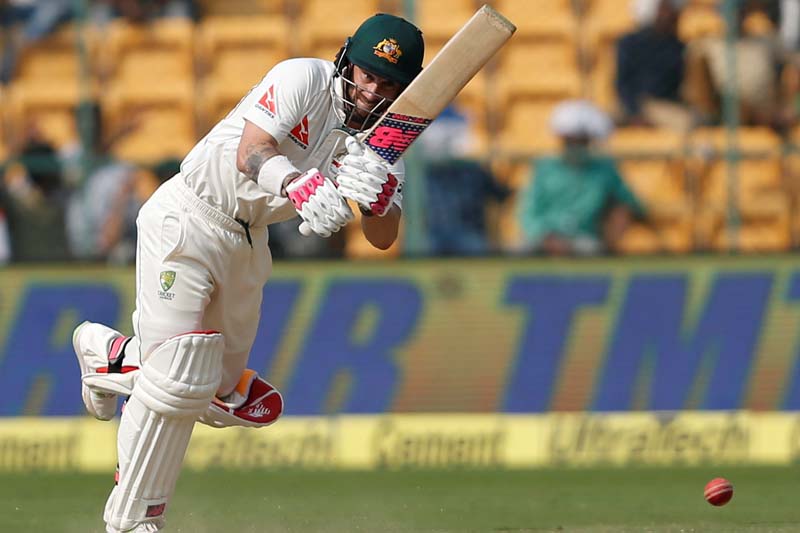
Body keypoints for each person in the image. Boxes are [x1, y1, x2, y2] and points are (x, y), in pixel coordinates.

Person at [72, 13, 423, 532]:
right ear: (347, 60)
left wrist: (383, 201)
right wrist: (297, 184)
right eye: (366, 74)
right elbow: (251, 151)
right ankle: (133, 520)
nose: (371, 90)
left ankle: (108, 354)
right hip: (190, 216)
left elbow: (383, 237)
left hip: (249, 244)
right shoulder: (303, 77)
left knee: (216, 395)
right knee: (177, 379)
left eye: (388, 83)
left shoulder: (379, 143)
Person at [517, 100, 645, 256]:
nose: (575, 146)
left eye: (581, 141)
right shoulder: (543, 168)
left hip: (583, 240)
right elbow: (529, 213)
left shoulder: (604, 169)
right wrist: (547, 238)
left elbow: (631, 202)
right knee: (519, 252)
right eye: (570, 141)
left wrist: (620, 216)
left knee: (591, 251)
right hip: (542, 238)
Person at [615, 0, 692, 130]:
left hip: (663, 106)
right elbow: (622, 83)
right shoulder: (629, 43)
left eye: (670, 10)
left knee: (688, 122)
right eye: (663, 10)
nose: (668, 15)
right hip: (633, 104)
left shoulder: (679, 48)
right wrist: (635, 112)